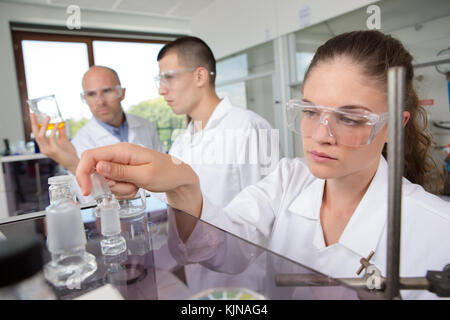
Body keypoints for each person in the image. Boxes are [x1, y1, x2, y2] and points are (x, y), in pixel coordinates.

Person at [76, 30, 450, 299]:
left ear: (394, 127)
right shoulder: (289, 179)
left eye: (350, 118)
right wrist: (183, 184)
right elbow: (230, 246)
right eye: (309, 111)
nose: (321, 135)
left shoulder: (437, 232)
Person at [30, 65, 164, 176]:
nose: (100, 102)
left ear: (122, 93)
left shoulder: (145, 126)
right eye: (91, 94)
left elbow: (163, 171)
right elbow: (89, 199)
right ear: (85, 99)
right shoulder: (80, 141)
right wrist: (72, 165)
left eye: (107, 91)